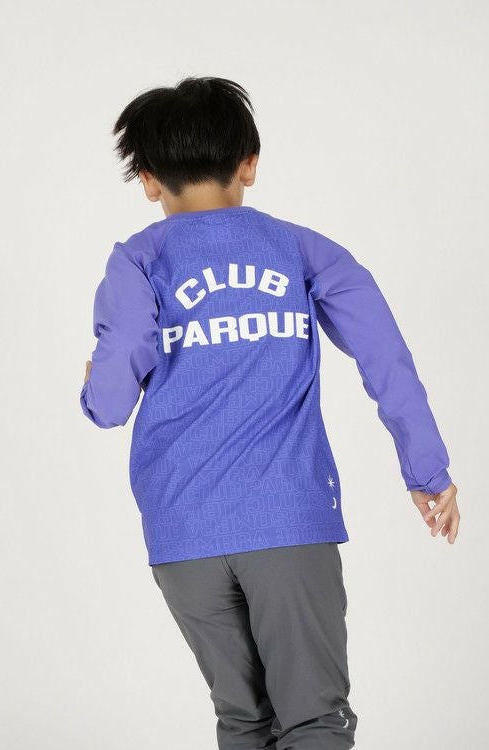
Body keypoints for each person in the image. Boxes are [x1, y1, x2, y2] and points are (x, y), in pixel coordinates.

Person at [79, 75, 460, 749]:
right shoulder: (305, 250)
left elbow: (111, 401)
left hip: (182, 534)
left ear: (148, 180)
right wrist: (426, 470)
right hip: (289, 521)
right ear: (249, 164)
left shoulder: (137, 261)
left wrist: (96, 382)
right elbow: (386, 360)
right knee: (314, 719)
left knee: (242, 718)